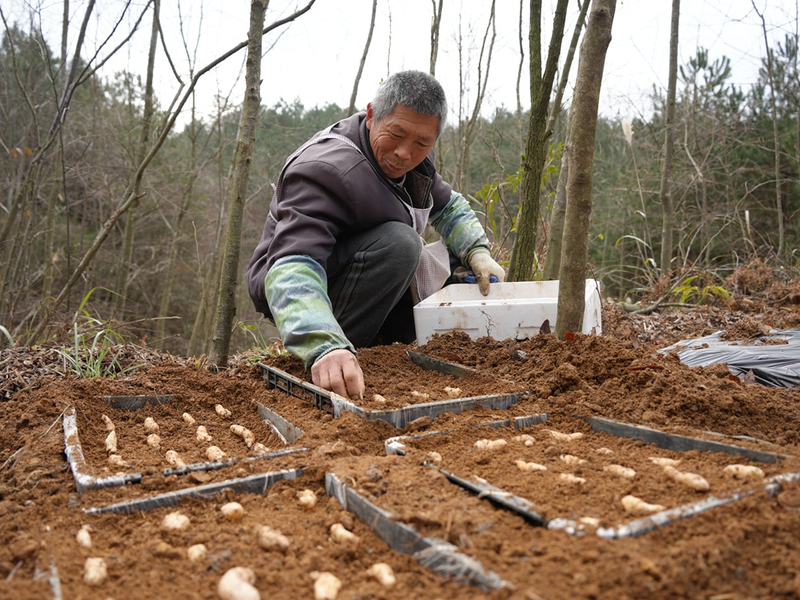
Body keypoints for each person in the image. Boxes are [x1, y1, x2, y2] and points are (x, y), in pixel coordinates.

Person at [246, 70, 505, 401]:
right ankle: (340, 352)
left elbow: (448, 205)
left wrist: (478, 251)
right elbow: (292, 266)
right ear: (371, 116)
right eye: (396, 134)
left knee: (456, 259)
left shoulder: (414, 162)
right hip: (307, 287)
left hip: (361, 267)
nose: (404, 153)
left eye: (421, 143)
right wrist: (323, 343)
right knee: (402, 244)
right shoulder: (325, 171)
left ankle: (389, 343)